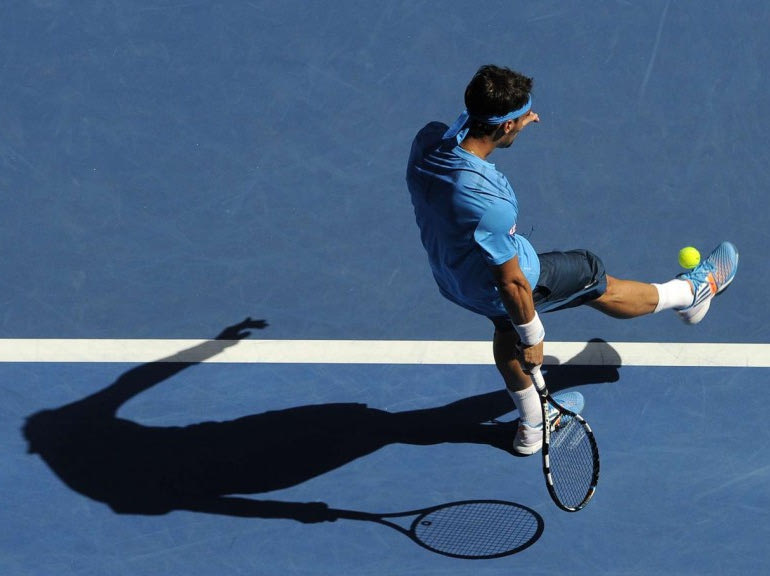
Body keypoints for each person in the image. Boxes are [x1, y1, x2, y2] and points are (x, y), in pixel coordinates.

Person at [405, 64, 739, 455]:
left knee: (504, 328)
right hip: (505, 285)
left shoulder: (427, 141)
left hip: (454, 279)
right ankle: (690, 294)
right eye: (523, 117)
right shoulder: (490, 199)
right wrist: (533, 336)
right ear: (506, 126)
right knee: (591, 275)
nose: (532, 119)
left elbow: (462, 131)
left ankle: (533, 425)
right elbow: (511, 282)